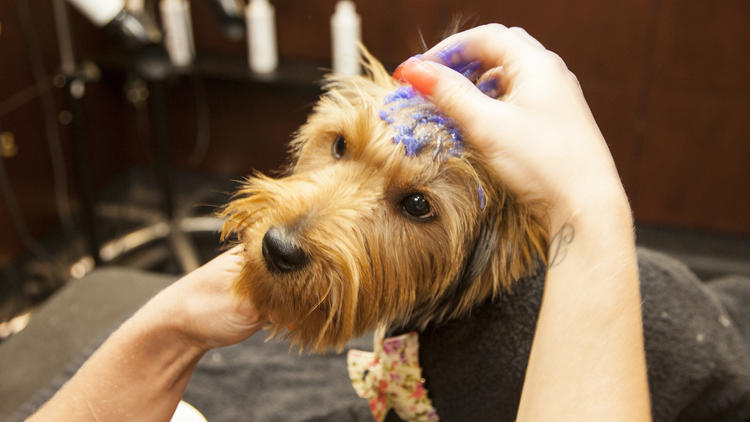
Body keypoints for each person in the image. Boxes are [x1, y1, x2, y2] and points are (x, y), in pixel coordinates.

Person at [29, 24, 650, 421]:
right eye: (340, 147)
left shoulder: (506, 370)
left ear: (518, 249)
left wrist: (586, 202)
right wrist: (171, 329)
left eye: (415, 206)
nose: (293, 231)